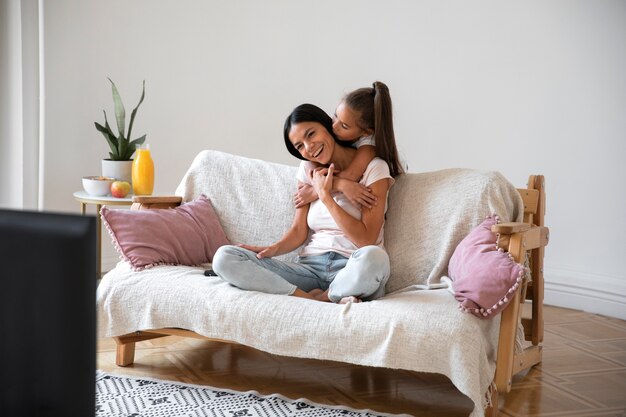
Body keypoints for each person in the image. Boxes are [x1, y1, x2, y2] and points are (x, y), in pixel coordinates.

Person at [212, 103, 395, 303]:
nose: (309, 147)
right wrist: (273, 249)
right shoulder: (307, 171)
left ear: (328, 127)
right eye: (300, 145)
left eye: (310, 134)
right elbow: (299, 230)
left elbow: (366, 240)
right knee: (224, 257)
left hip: (353, 268)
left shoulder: (374, 168)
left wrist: (325, 196)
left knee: (376, 258)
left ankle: (326, 297)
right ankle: (308, 298)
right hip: (310, 270)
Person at [294, 81, 404, 210]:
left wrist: (314, 192)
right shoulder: (340, 135)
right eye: (335, 116)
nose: (334, 126)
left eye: (344, 126)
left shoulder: (368, 147)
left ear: (366, 132)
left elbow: (350, 176)